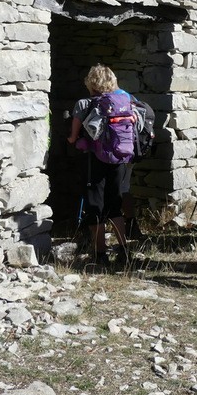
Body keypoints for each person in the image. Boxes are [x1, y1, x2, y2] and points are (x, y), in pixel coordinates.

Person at [67, 64, 136, 266]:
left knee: (95, 206)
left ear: (91, 82)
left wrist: (72, 138)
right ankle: (124, 251)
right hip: (120, 158)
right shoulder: (124, 101)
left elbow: (73, 137)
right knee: (115, 204)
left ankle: (100, 254)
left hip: (94, 160)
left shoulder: (84, 104)